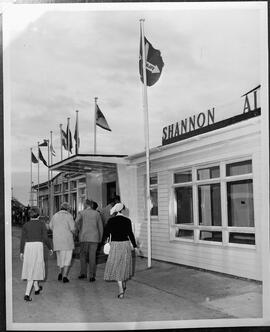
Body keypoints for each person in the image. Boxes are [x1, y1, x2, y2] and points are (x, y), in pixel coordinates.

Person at [103, 203, 139, 299]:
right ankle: (123, 283)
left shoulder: (111, 220)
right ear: (122, 210)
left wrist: (106, 241)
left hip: (115, 245)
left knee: (116, 265)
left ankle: (120, 289)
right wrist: (135, 246)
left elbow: (106, 233)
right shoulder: (127, 220)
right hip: (125, 245)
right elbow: (130, 234)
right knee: (124, 264)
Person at [20, 206, 53, 302]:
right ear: (39, 214)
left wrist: (21, 251)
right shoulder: (41, 224)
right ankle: (26, 294)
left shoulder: (25, 225)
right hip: (38, 247)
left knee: (32, 267)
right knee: (36, 267)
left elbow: (22, 240)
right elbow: (46, 239)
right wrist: (50, 248)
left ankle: (37, 289)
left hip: (28, 247)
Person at [75, 199, 103, 282]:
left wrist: (79, 230)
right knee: (92, 256)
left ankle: (83, 273)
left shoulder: (81, 213)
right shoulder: (97, 214)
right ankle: (92, 276)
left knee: (83, 255)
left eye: (84, 204)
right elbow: (100, 227)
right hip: (94, 238)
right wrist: (100, 238)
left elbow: (76, 222)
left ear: (86, 205)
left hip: (84, 237)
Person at [49, 202, 75, 283]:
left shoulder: (55, 215)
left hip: (57, 240)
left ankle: (60, 272)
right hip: (67, 241)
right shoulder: (69, 216)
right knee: (67, 258)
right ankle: (65, 276)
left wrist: (56, 231)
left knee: (59, 258)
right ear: (68, 209)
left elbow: (50, 226)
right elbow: (73, 228)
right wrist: (75, 233)